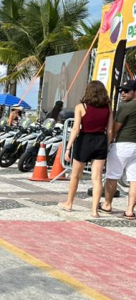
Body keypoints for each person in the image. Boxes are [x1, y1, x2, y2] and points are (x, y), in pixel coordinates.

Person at [58, 81, 114, 218]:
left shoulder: (81, 107)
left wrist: (68, 147)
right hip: (100, 140)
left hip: (84, 141)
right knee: (97, 178)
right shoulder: (107, 107)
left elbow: (76, 129)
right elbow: (110, 130)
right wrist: (106, 145)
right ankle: (94, 210)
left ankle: (69, 203)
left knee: (75, 176)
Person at [100, 80, 136, 219]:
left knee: (112, 176)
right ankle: (130, 210)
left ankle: (107, 205)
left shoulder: (126, 106)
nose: (123, 93)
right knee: (134, 179)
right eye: (121, 90)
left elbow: (115, 128)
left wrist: (107, 144)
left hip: (123, 144)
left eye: (127, 91)